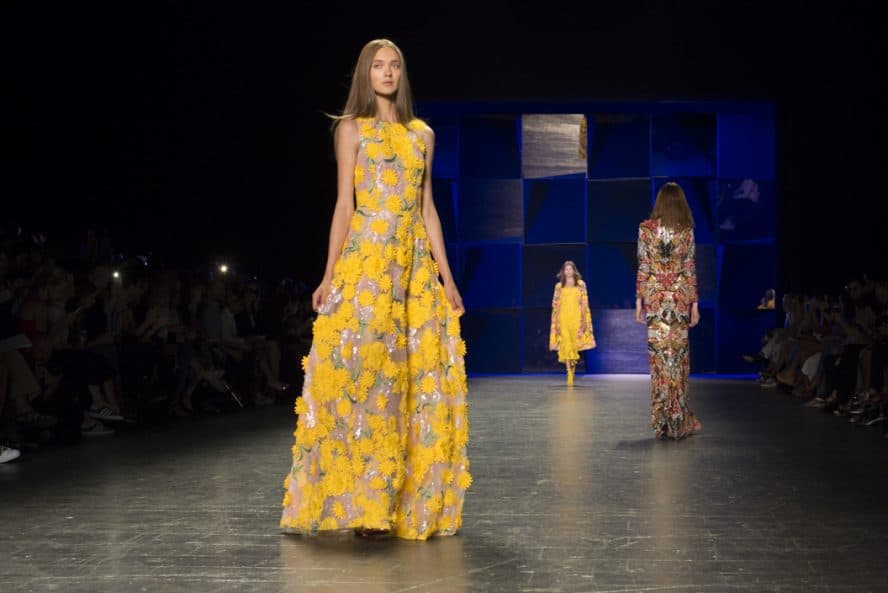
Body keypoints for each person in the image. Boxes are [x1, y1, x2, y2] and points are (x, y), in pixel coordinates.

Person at [280, 39, 470, 540]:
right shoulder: (351, 130)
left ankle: (400, 501)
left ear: (402, 75)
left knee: (414, 379)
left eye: (395, 66)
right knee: (363, 375)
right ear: (365, 75)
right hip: (367, 264)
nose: (387, 73)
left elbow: (427, 207)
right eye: (378, 66)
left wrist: (447, 276)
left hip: (411, 269)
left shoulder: (422, 134)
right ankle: (363, 501)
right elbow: (345, 203)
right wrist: (327, 274)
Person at [635, 182, 702, 440]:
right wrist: (694, 306)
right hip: (679, 304)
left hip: (655, 305)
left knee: (660, 363)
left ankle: (662, 423)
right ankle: (679, 420)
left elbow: (643, 266)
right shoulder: (686, 231)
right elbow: (689, 268)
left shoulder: (646, 229)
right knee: (678, 363)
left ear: (660, 202)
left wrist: (639, 302)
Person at [548, 260, 595, 385]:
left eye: (570, 269)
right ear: (563, 271)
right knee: (566, 343)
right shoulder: (559, 286)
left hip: (576, 317)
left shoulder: (581, 284)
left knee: (574, 344)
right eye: (566, 269)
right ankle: (569, 372)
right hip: (563, 318)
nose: (568, 271)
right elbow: (555, 305)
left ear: (574, 270)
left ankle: (572, 366)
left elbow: (585, 303)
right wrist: (556, 322)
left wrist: (585, 320)